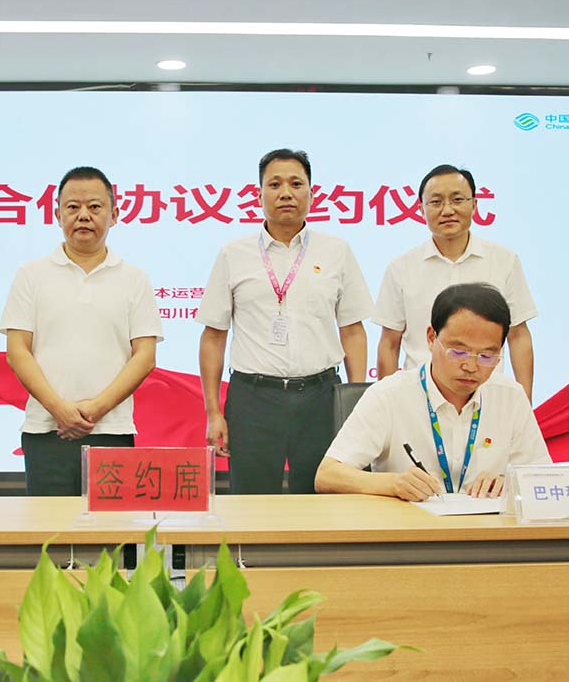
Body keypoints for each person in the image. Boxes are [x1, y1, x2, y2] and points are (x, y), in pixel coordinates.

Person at [197, 148, 374, 494]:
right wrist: (213, 413)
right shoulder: (234, 254)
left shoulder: (336, 251)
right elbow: (213, 337)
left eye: (296, 183)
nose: (286, 193)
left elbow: (353, 330)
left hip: (321, 398)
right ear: (259, 194)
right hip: (253, 399)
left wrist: (355, 403)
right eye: (274, 184)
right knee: (251, 502)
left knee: (322, 498)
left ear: (312, 192)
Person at [0, 166, 163, 496]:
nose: (83, 215)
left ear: (114, 215)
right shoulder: (31, 275)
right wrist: (60, 409)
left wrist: (96, 408)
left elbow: (144, 356)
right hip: (46, 430)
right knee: (50, 526)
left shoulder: (134, 278)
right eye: (73, 207)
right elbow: (17, 351)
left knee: (111, 527)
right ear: (57, 214)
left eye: (95, 206)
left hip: (112, 430)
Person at [316, 283, 550, 499]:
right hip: (409, 526)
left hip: (486, 527)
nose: (471, 366)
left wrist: (509, 483)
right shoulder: (389, 395)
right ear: (431, 338)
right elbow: (327, 475)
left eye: (486, 356)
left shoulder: (510, 396)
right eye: (458, 352)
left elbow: (544, 479)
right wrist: (393, 483)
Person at [374, 164, 538, 400]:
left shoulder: (504, 261)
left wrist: (524, 403)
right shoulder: (401, 267)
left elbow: (518, 335)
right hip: (418, 398)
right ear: (421, 210)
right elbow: (390, 343)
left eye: (457, 200)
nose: (447, 210)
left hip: (486, 396)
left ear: (474, 205)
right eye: (436, 202)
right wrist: (386, 403)